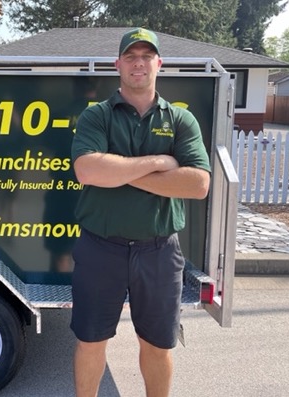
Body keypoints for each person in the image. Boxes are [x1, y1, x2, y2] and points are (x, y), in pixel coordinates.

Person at [69, 28, 211, 397]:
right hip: (101, 249)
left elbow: (197, 185)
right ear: (117, 65)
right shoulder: (96, 116)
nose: (138, 63)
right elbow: (87, 171)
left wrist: (119, 173)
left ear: (158, 64)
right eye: (130, 56)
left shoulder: (181, 121)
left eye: (146, 56)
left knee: (157, 345)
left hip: (160, 253)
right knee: (90, 341)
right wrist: (159, 164)